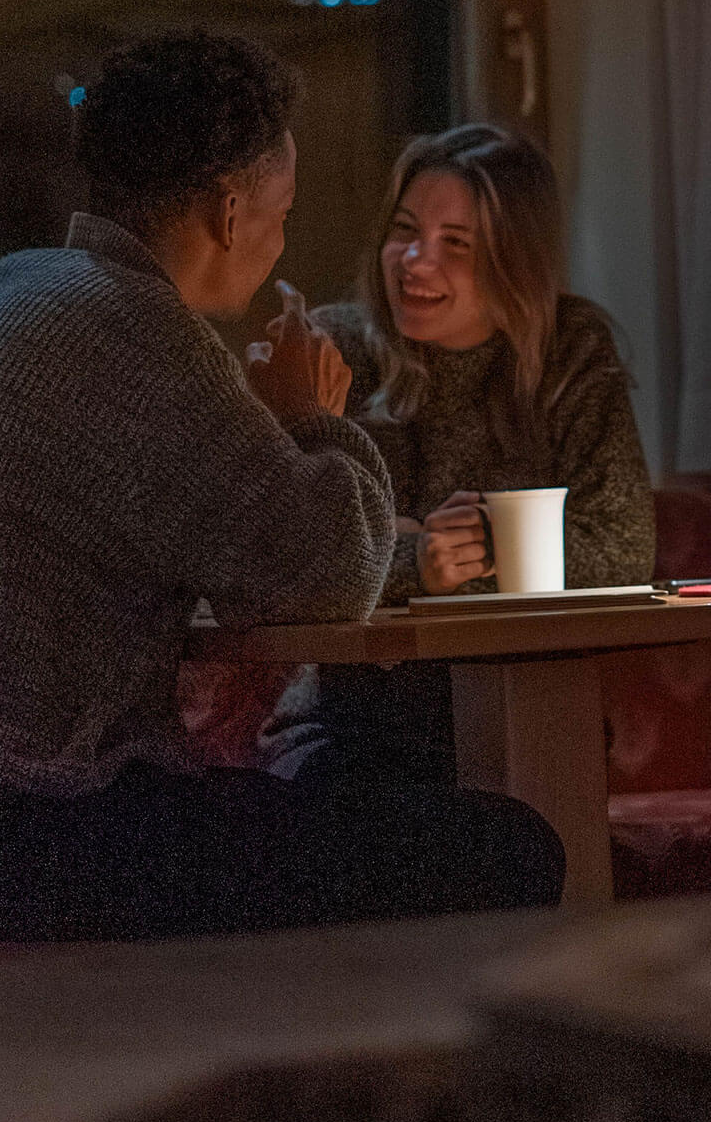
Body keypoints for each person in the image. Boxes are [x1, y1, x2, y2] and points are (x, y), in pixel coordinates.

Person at [0, 32, 563, 941]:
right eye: (282, 211)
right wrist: (312, 417)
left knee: (341, 815)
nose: (280, 237)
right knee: (509, 846)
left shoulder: (4, 292)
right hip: (1, 835)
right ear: (228, 214)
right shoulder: (137, 333)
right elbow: (328, 575)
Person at [259, 123, 655, 786]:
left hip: (529, 711)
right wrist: (419, 561)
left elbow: (624, 551)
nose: (415, 260)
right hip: (349, 724)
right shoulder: (337, 348)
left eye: (456, 245)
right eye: (405, 230)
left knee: (531, 797)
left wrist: (484, 544)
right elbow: (283, 562)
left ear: (513, 260)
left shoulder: (571, 352)